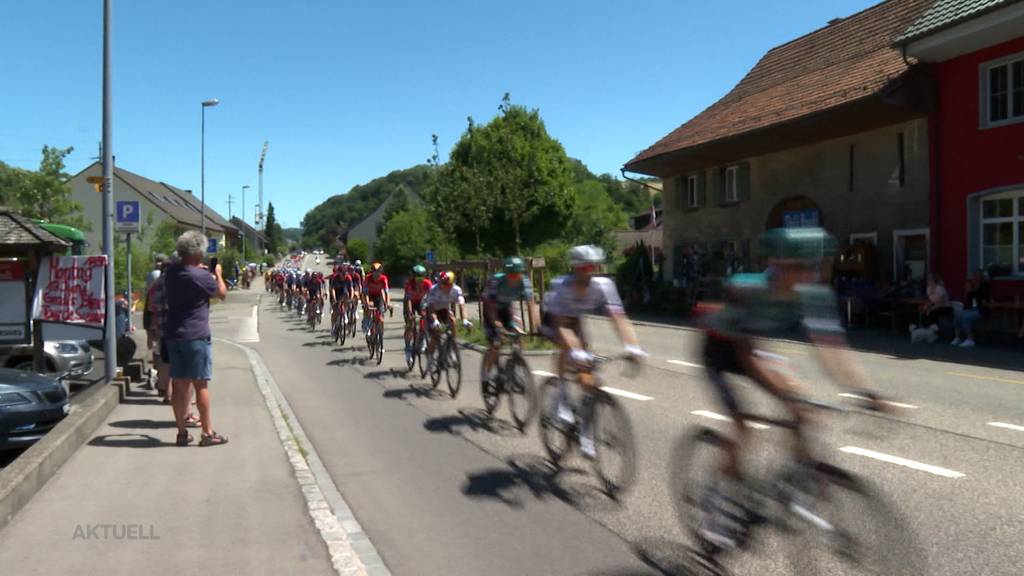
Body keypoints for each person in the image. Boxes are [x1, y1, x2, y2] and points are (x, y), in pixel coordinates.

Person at [697, 227, 887, 549]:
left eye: (812, 267)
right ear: (777, 265)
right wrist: (790, 397)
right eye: (796, 267)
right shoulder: (748, 290)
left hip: (755, 347)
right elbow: (744, 355)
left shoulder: (814, 295)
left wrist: (867, 392)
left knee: (803, 411)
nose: (806, 275)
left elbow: (832, 349)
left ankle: (792, 487)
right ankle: (716, 504)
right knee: (743, 430)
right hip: (720, 351)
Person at [544, 245, 646, 458]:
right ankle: (561, 395)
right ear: (575, 268)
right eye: (586, 267)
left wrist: (632, 346)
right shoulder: (561, 286)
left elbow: (618, 317)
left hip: (576, 321)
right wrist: (577, 352)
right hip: (555, 321)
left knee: (588, 381)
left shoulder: (604, 285)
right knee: (570, 350)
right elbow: (561, 326)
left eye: (594, 266)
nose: (591, 271)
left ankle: (585, 434)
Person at [164, 230, 228, 447]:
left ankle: (181, 433)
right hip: (196, 335)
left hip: (173, 334)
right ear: (198, 252)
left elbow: (185, 272)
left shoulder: (171, 273)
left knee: (180, 385)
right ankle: (207, 433)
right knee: (200, 384)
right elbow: (221, 293)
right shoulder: (201, 276)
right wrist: (217, 273)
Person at [481, 256, 533, 388]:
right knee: (496, 344)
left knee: (518, 331)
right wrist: (497, 324)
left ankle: (515, 364)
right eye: (512, 275)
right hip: (490, 310)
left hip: (506, 309)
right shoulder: (496, 281)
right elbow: (490, 305)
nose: (516, 278)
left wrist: (536, 325)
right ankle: (485, 376)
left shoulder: (524, 280)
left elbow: (531, 304)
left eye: (518, 274)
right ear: (506, 273)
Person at [421, 271, 472, 372]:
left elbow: (462, 306)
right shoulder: (434, 289)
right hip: (432, 311)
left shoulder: (456, 290)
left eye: (446, 284)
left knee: (452, 321)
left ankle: (451, 347)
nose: (443, 286)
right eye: (441, 283)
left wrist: (465, 320)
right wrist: (435, 321)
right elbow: (431, 308)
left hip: (444, 310)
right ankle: (430, 360)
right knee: (435, 335)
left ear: (452, 283)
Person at [403, 264, 433, 364]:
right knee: (410, 324)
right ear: (413, 277)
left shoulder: (427, 283)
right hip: (410, 303)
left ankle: (422, 337)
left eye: (421, 277)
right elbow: (408, 301)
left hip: (421, 302)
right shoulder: (409, 284)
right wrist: (410, 313)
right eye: (417, 278)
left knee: (426, 318)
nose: (419, 280)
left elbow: (431, 298)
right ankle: (407, 347)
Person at [953, 270, 989, 347]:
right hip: (970, 309)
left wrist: (972, 291)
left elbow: (983, 300)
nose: (975, 278)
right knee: (958, 315)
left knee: (966, 316)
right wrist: (967, 292)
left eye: (977, 276)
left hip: (980, 310)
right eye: (974, 276)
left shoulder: (984, 286)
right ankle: (957, 337)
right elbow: (967, 300)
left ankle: (970, 339)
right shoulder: (971, 287)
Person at [362, 262, 390, 335]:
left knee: (381, 315)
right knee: (369, 306)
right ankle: (366, 321)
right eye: (375, 272)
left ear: (381, 273)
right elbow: (366, 294)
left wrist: (387, 303)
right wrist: (367, 304)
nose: (377, 274)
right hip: (369, 296)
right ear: (372, 272)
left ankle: (380, 333)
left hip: (379, 296)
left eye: (378, 272)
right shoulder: (368, 278)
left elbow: (387, 293)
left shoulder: (384, 278)